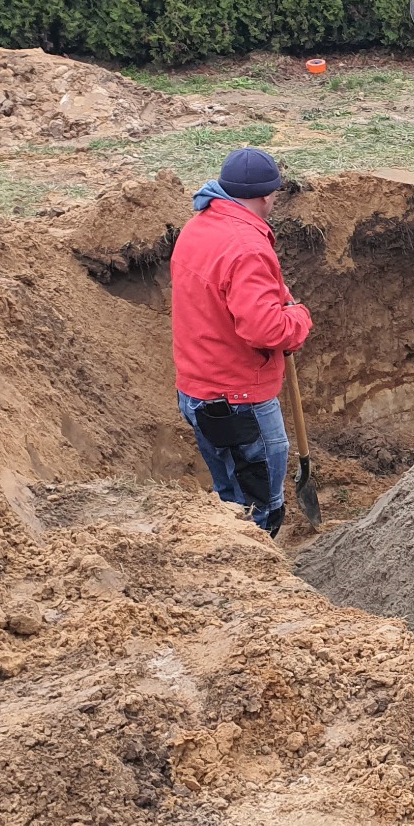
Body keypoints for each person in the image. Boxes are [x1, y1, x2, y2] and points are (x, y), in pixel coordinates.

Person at [170, 148, 313, 538]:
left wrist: (276, 296)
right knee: (260, 509)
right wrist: (298, 319)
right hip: (238, 402)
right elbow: (266, 330)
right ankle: (257, 564)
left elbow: (226, 293)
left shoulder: (198, 227)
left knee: (230, 499)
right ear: (267, 195)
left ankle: (231, 553)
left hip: (198, 392)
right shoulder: (247, 247)